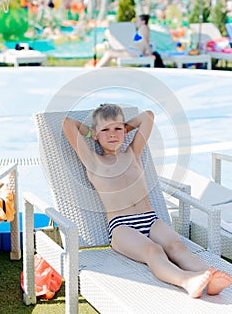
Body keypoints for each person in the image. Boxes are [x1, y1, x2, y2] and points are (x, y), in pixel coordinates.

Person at [63, 103, 231, 298]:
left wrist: (124, 127)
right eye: (105, 130)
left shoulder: (133, 153)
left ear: (125, 130)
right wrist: (91, 132)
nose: (112, 134)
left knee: (178, 247)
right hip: (122, 227)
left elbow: (148, 116)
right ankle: (186, 280)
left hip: (151, 219)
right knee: (154, 251)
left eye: (118, 128)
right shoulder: (93, 161)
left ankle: (208, 277)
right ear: (96, 134)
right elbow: (68, 123)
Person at [97, 14, 164, 68]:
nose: (136, 22)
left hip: (135, 52)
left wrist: (150, 54)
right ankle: (99, 70)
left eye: (137, 21)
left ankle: (95, 70)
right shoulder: (142, 28)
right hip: (133, 51)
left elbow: (146, 41)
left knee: (109, 53)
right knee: (109, 53)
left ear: (143, 22)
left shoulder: (144, 28)